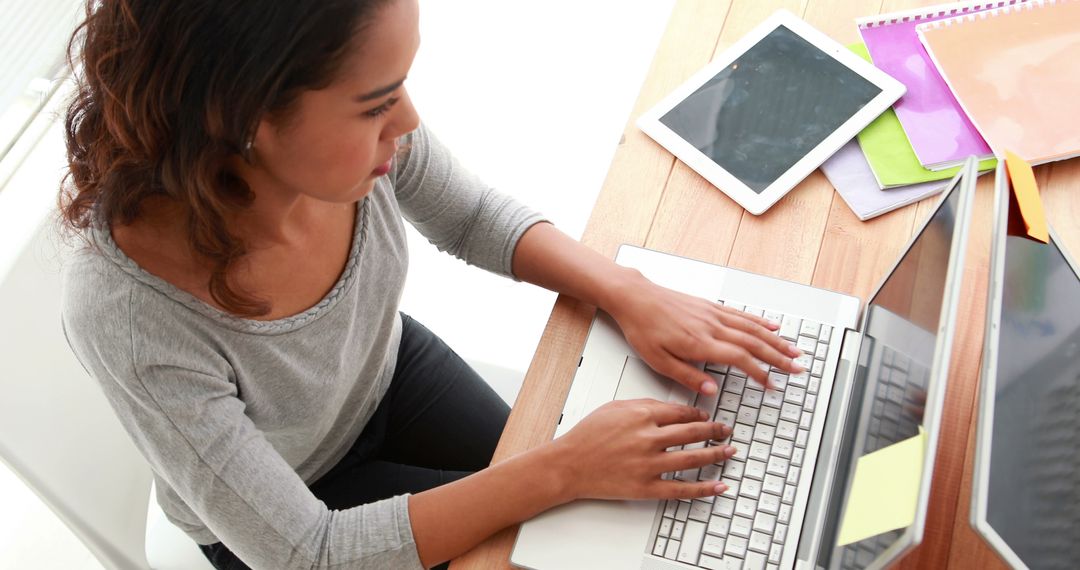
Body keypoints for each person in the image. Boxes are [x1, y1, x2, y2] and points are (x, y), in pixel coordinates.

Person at [57, 0, 805, 568]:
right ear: (245, 114)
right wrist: (565, 466)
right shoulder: (129, 314)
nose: (407, 121)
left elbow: (473, 215)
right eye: (377, 102)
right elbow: (308, 551)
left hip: (387, 374)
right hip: (294, 511)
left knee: (594, 523)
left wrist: (628, 290)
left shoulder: (346, 148)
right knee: (556, 512)